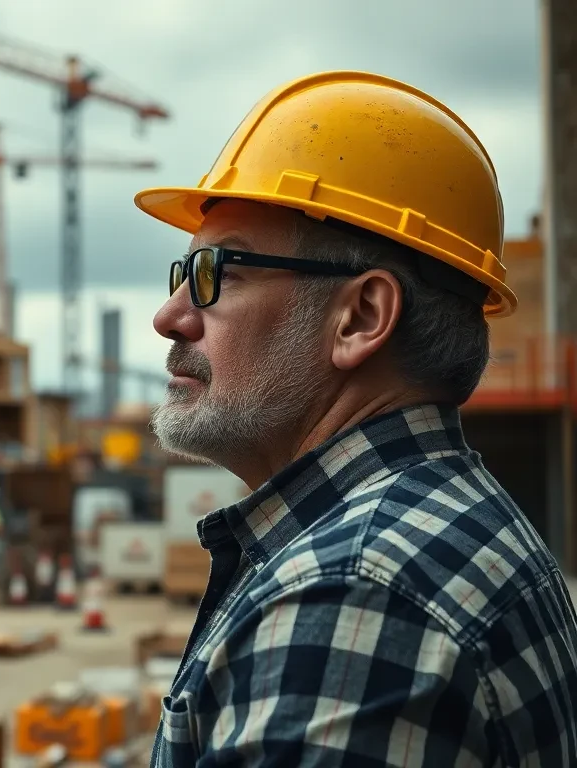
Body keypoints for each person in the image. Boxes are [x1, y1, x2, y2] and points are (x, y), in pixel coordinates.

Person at [135, 70, 577, 766]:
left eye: (216, 272)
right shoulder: (447, 520)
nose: (170, 315)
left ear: (361, 317)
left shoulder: (351, 594)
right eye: (179, 275)